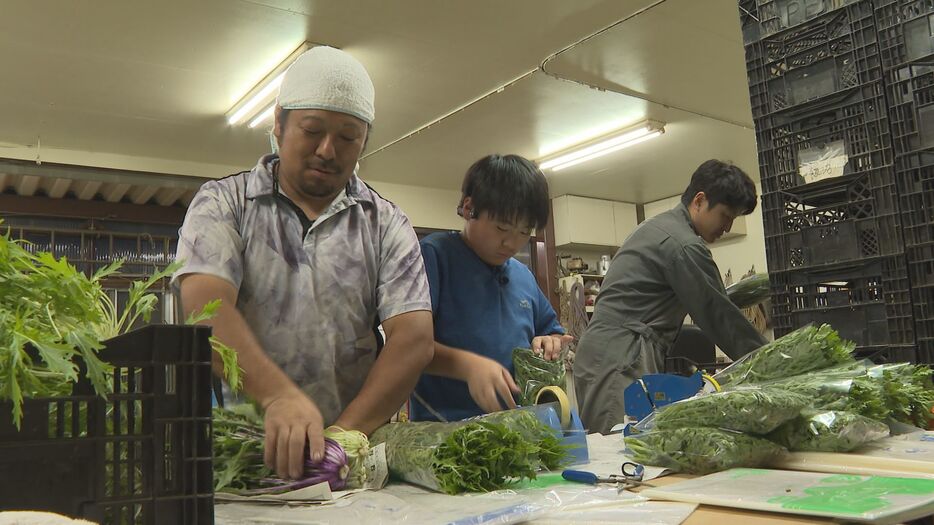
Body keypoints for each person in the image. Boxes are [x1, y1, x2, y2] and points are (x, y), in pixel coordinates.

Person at [173, 47, 434, 480]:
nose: (328, 150)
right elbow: (205, 308)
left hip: (347, 469)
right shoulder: (225, 203)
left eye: (348, 137)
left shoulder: (385, 222)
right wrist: (277, 397)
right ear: (279, 123)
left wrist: (341, 440)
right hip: (243, 461)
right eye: (312, 130)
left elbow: (414, 339)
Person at [573, 159, 768, 434]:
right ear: (699, 201)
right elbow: (717, 313)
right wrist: (772, 360)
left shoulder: (658, 227)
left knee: (628, 444)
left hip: (610, 351)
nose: (727, 227)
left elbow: (713, 300)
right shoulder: (683, 245)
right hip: (621, 355)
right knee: (619, 450)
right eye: (725, 216)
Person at [410, 154, 573, 422]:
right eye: (502, 228)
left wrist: (550, 341)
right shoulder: (434, 256)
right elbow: (409, 347)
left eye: (524, 232)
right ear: (468, 208)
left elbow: (550, 330)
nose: (512, 244)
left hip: (518, 425)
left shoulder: (522, 275)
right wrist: (468, 366)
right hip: (445, 428)